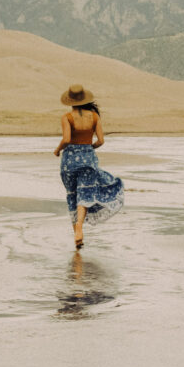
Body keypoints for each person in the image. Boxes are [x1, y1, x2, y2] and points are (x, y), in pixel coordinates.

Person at [54, 84, 124, 249]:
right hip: (88, 159)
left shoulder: (67, 117)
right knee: (84, 194)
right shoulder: (94, 116)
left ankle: (77, 234)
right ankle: (80, 226)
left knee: (72, 195)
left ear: (70, 101)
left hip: (69, 160)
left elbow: (66, 139)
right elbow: (100, 141)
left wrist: (57, 150)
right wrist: (89, 149)